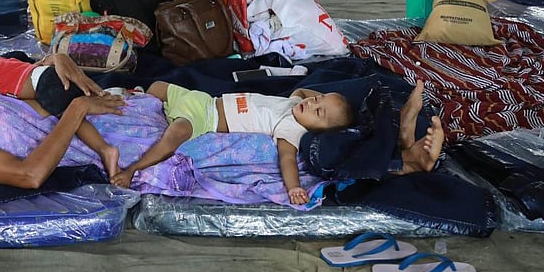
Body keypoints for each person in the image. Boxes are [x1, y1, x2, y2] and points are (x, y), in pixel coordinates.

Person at [110, 80, 444, 203]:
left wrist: (294, 187)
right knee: (156, 86)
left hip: (204, 119)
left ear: (318, 130)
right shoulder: (295, 102)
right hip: (202, 99)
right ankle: (131, 98)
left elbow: (286, 159)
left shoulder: (292, 129)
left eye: (318, 112)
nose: (310, 105)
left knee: (177, 133)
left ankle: (134, 167)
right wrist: (325, 102)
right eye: (317, 102)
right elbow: (307, 93)